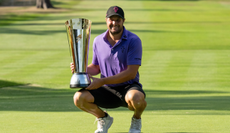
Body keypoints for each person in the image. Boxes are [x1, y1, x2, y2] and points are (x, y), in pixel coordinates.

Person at [70, 6, 147, 133]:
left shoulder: (134, 40)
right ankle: (103, 118)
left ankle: (136, 120)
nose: (114, 23)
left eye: (118, 20)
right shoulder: (98, 40)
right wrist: (81, 69)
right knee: (79, 98)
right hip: (106, 89)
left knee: (137, 99)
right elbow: (96, 67)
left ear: (123, 21)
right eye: (111, 19)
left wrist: (102, 81)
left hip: (127, 87)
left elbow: (131, 73)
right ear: (106, 20)